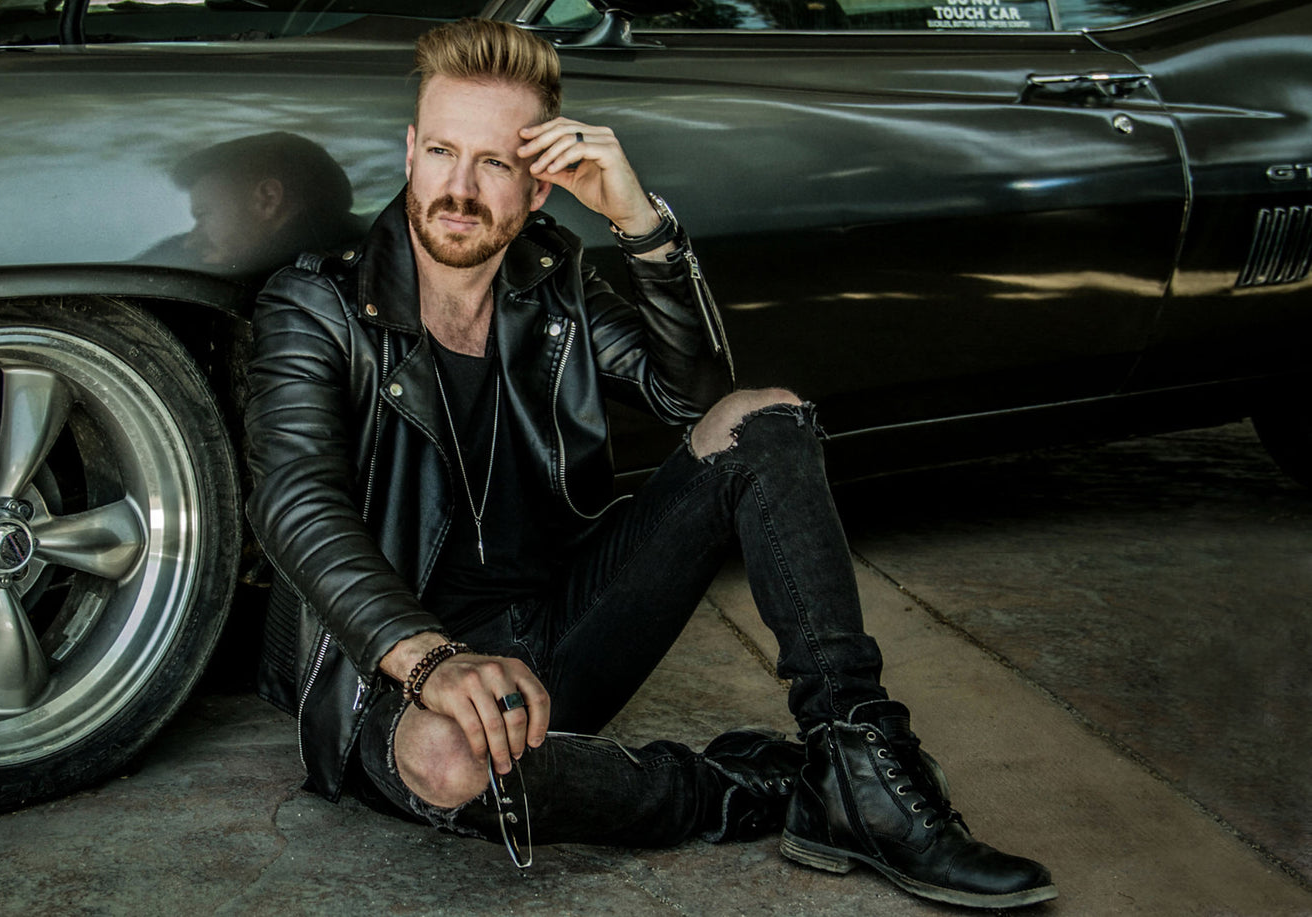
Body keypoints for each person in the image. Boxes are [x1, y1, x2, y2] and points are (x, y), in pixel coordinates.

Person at [244, 18, 1056, 910]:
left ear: (540, 183)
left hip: (558, 635)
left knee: (765, 418)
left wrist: (641, 223)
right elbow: (296, 502)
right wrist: (432, 658)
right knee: (450, 762)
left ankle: (858, 752)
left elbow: (696, 395)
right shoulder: (317, 304)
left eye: (494, 163)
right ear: (410, 148)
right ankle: (768, 791)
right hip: (393, 674)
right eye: (441, 150)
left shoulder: (555, 284)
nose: (459, 188)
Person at [140, 131, 363, 276]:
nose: (190, 242)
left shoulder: (282, 290)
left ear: (268, 199)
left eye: (203, 214)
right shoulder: (374, 265)